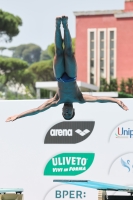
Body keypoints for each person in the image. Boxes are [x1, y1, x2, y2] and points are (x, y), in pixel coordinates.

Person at [6, 16, 128, 122]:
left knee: (59, 52)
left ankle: (57, 25)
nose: (67, 113)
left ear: (62, 110)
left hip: (59, 76)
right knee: (68, 52)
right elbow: (99, 99)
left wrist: (18, 115)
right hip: (71, 76)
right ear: (73, 110)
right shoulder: (79, 99)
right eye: (69, 114)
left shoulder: (56, 100)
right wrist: (116, 101)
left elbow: (37, 110)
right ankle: (65, 25)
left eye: (65, 114)